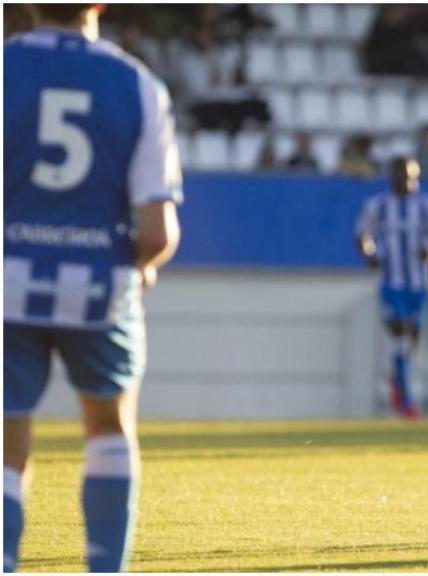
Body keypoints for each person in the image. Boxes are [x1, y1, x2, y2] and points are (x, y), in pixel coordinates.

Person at [4, 4, 183, 572]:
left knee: (7, 440)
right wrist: (139, 263)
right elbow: (157, 232)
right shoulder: (137, 84)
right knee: (108, 427)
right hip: (100, 289)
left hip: (7, 286)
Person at [356, 157, 428, 419]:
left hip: (420, 284)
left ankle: (399, 380)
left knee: (409, 342)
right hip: (391, 282)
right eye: (401, 177)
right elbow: (363, 234)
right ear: (393, 177)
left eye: (411, 177)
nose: (407, 182)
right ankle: (406, 399)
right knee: (401, 331)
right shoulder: (378, 205)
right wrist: (370, 253)